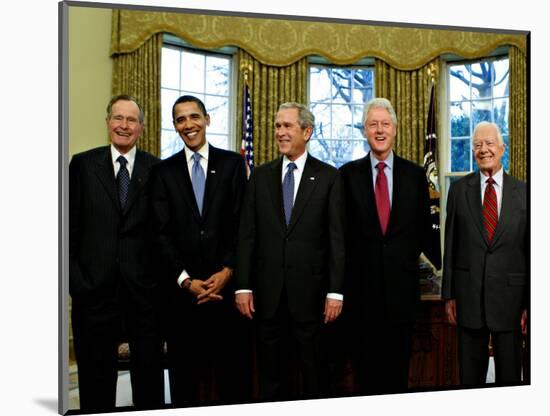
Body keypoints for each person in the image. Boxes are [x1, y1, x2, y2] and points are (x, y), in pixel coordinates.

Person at [235, 102, 345, 400]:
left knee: (314, 377)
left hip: (311, 299)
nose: (280, 132)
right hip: (267, 299)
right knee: (271, 380)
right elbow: (247, 234)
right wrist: (243, 285)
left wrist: (335, 291)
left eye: (287, 126)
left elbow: (336, 239)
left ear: (307, 132)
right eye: (277, 126)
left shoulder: (328, 177)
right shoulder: (259, 176)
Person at [148, 95, 250, 406]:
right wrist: (185, 280)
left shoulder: (233, 164)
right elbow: (159, 233)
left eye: (194, 116)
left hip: (227, 295)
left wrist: (227, 270)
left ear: (207, 119)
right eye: (181, 119)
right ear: (175, 126)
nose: (189, 124)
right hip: (182, 301)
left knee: (232, 384)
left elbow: (242, 224)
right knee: (184, 387)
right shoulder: (162, 172)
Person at [69, 95, 164, 411]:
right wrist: (77, 281)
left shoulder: (158, 170)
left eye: (131, 120)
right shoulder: (82, 165)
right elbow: (67, 229)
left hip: (144, 296)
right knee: (96, 383)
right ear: (107, 121)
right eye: (118, 118)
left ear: (141, 127)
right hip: (94, 293)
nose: (124, 126)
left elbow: (163, 233)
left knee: (149, 382)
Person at [339, 97, 438, 395]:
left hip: (402, 297)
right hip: (361, 297)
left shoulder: (415, 176)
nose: (379, 130)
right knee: (365, 376)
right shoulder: (347, 175)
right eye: (373, 125)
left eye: (385, 124)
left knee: (397, 377)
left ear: (395, 129)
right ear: (364, 131)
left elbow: (424, 231)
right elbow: (340, 233)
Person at [442, 121, 527, 385]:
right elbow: (451, 244)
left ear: (503, 148)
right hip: (468, 300)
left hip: (511, 302)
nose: (483, 150)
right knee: (470, 380)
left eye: (489, 143)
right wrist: (449, 296)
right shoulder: (458, 191)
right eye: (477, 145)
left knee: (511, 378)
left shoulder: (525, 193)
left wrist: (530, 302)